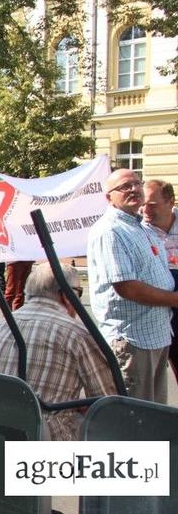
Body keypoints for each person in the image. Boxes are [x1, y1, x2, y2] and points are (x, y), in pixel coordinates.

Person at [0, 264, 117, 441]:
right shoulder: (76, 333)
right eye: (79, 292)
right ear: (67, 295)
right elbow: (107, 405)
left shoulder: (3, 325)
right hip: (43, 443)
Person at [87, 169, 176, 403]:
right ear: (109, 197)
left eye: (137, 183)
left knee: (153, 414)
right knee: (134, 420)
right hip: (132, 340)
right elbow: (127, 287)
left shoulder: (139, 226)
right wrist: (174, 299)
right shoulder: (110, 231)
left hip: (155, 335)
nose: (134, 189)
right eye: (125, 187)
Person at [141, 178, 178, 384]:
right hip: (156, 307)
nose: (145, 210)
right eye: (143, 204)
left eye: (152, 205)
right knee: (154, 378)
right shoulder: (140, 230)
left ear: (171, 202)